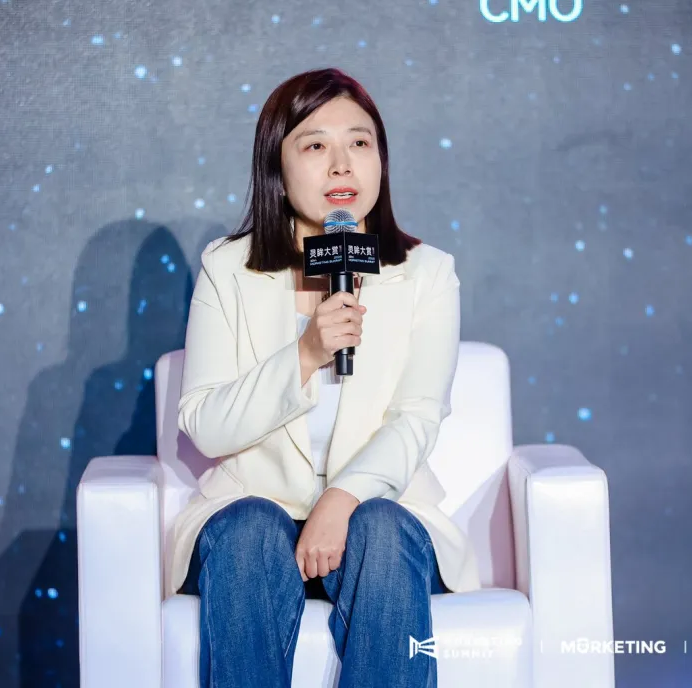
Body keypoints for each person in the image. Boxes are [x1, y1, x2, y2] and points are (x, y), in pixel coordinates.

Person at [166, 67, 481, 688]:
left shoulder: (426, 273)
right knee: (251, 527)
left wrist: (341, 499)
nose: (342, 165)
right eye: (315, 145)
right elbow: (205, 424)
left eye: (360, 143)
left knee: (379, 527)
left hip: (376, 521)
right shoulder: (228, 269)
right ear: (277, 168)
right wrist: (306, 353)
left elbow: (417, 417)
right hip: (254, 523)